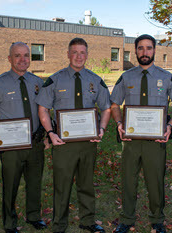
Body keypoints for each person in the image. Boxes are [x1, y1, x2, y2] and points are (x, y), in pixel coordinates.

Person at [110, 34, 172, 233]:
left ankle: (157, 219)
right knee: (128, 180)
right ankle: (126, 219)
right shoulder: (126, 77)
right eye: (141, 48)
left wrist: (169, 125)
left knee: (155, 181)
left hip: (156, 140)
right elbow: (114, 104)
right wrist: (119, 122)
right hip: (131, 140)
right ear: (135, 50)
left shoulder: (167, 77)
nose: (145, 52)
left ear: (155, 50)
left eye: (149, 48)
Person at [36, 38, 111, 233]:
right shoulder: (55, 80)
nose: (79, 56)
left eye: (82, 52)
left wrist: (101, 129)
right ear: (68, 54)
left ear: (87, 55)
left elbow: (106, 108)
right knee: (62, 185)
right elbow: (43, 108)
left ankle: (87, 220)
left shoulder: (95, 80)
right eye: (75, 52)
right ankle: (59, 224)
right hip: (62, 143)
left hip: (88, 142)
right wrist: (50, 133)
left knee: (86, 183)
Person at [0, 42, 47, 233]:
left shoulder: (38, 82)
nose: (23, 59)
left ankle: (34, 216)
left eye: (26, 55)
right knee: (10, 185)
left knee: (34, 183)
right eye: (17, 55)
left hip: (35, 143)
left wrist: (49, 135)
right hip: (10, 147)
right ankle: (9, 223)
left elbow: (44, 111)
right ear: (10, 59)